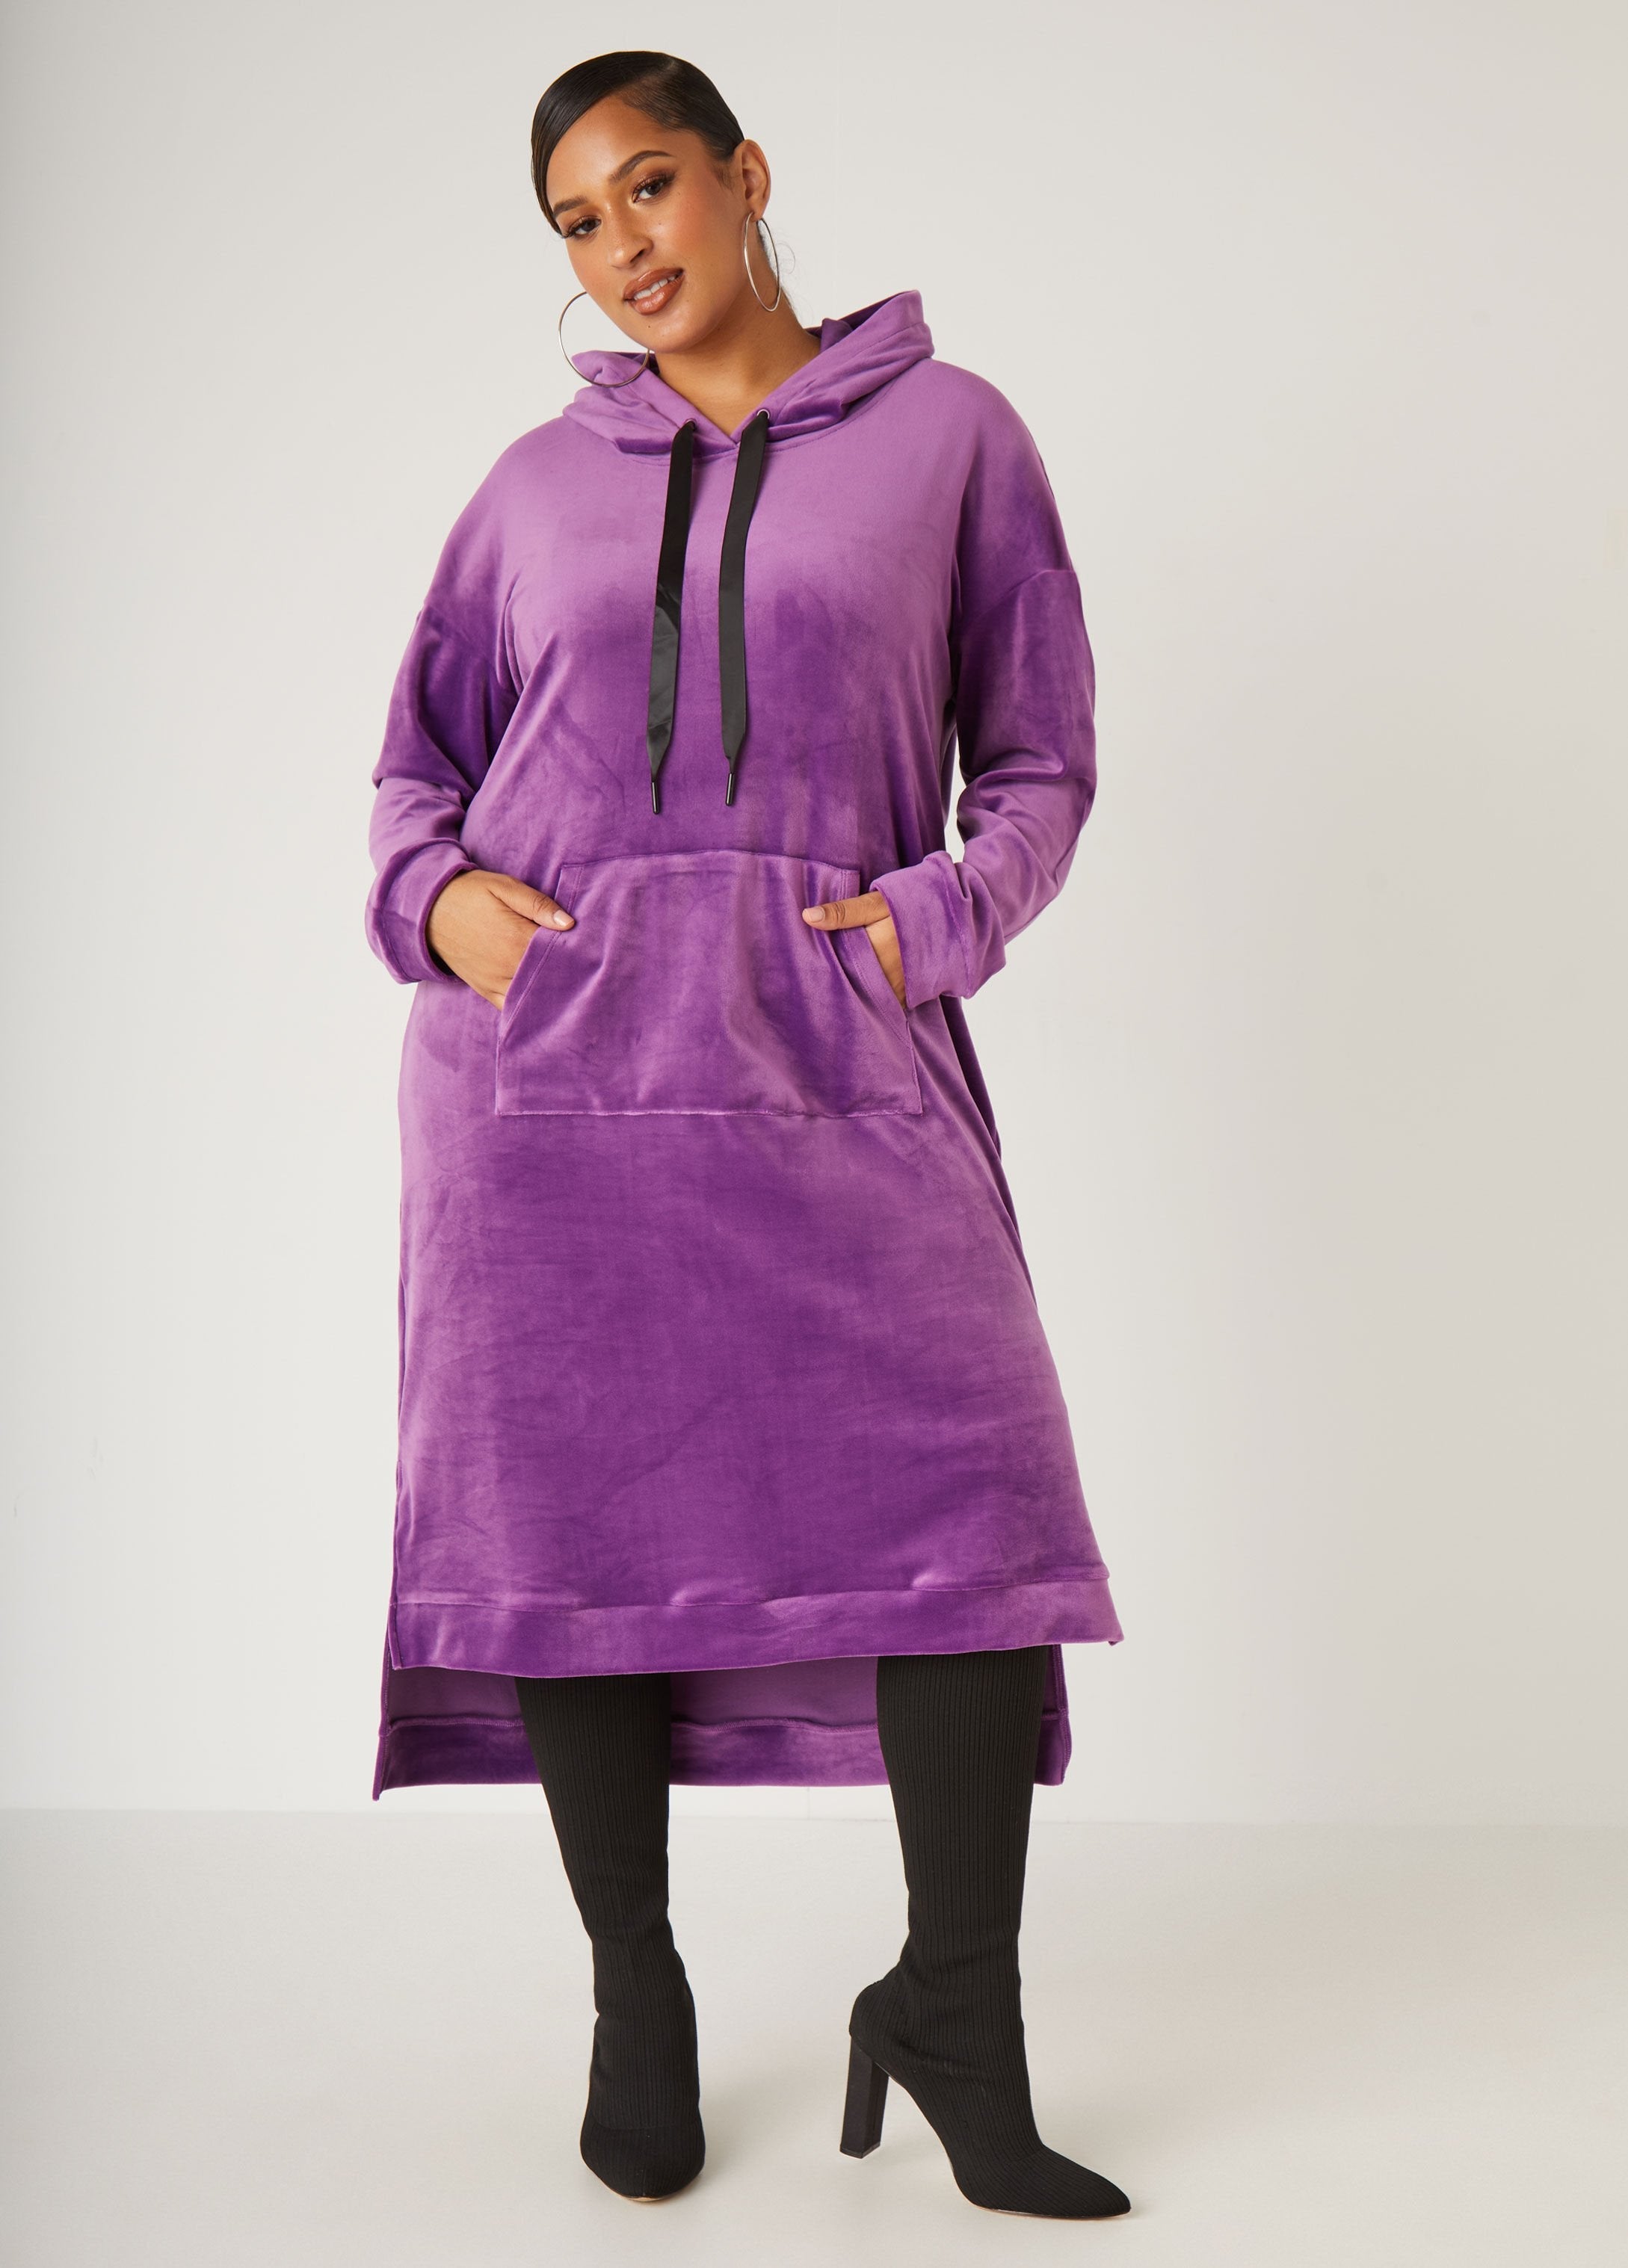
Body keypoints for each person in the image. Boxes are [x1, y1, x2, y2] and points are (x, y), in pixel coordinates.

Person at [364, 47, 1129, 2220]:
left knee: (973, 1519)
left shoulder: (951, 438)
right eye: (576, 224)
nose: (623, 248)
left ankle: (956, 2011)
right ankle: (639, 1992)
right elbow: (411, 776)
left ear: (745, 175)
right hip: (542, 1103)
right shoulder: (532, 485)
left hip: (835, 1064)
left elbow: (1040, 764)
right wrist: (442, 905)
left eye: (650, 188)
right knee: (576, 1533)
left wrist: (928, 926)